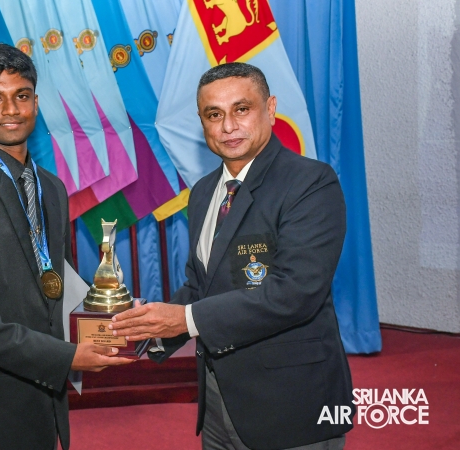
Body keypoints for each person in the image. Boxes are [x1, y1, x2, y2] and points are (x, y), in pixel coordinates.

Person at [110, 62, 355, 450]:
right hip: (217, 400)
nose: (228, 126)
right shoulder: (204, 192)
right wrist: (144, 335)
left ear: (270, 109)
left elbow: (296, 292)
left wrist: (183, 320)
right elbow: (200, 286)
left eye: (241, 109)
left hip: (290, 404)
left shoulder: (310, 182)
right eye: (214, 114)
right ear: (202, 122)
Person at [0, 42, 132, 450]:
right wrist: (65, 358)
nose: (11, 110)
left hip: (43, 395)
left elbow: (58, 285)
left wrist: (115, 324)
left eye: (21, 96)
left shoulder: (51, 188)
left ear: (36, 103)